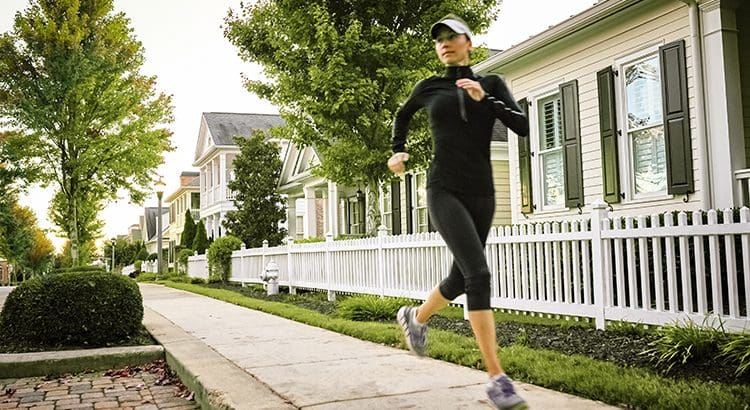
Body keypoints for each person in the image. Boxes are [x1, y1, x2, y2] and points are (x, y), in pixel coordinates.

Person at [388, 14, 530, 410]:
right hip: (443, 188)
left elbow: (522, 127)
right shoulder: (428, 87)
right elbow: (402, 115)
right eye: (440, 40)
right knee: (479, 273)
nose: (445, 43)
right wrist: (397, 149)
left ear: (469, 43)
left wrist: (489, 101)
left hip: (482, 192)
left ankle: (415, 317)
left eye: (453, 37)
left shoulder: (491, 83)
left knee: (460, 276)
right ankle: (497, 379)